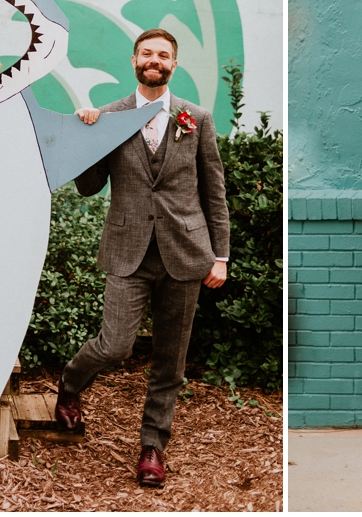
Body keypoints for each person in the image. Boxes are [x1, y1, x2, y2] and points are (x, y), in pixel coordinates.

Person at [54, 28, 230, 487]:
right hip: (128, 251)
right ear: (134, 59)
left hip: (185, 254)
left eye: (164, 55)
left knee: (170, 360)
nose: (155, 60)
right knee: (115, 344)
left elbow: (215, 193)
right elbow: (90, 186)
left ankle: (153, 446)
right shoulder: (109, 117)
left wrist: (221, 256)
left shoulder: (197, 118)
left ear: (174, 64)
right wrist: (84, 138)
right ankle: (71, 385)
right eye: (147, 53)